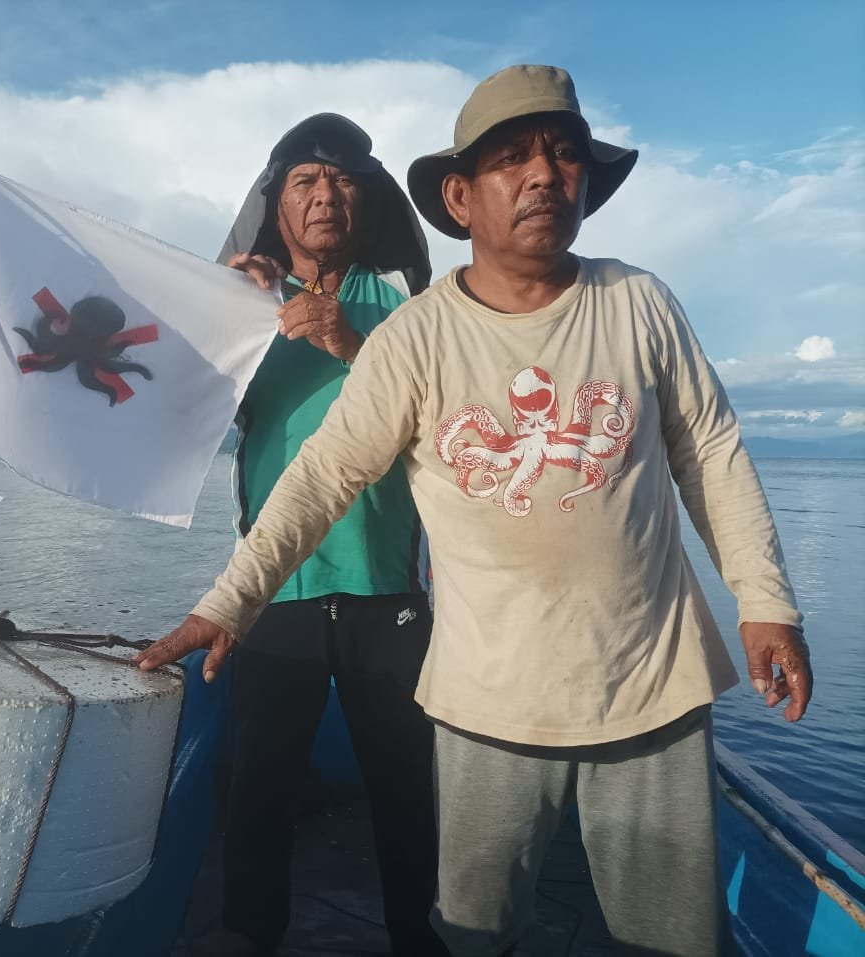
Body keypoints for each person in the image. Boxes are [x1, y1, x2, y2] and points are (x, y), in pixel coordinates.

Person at [139, 66, 813, 956]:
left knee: (670, 938)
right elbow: (319, 472)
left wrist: (765, 601)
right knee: (472, 928)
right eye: (511, 159)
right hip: (484, 698)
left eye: (564, 155)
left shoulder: (636, 302)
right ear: (459, 197)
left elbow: (712, 451)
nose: (543, 175)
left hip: (650, 687)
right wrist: (228, 601)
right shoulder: (416, 335)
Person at [192, 113, 445, 957]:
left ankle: (423, 934)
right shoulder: (241, 301)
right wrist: (217, 310)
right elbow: (180, 407)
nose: (324, 195)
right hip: (276, 585)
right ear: (277, 203)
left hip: (387, 584)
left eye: (340, 181)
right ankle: (246, 932)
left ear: (365, 200)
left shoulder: (407, 301)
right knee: (259, 782)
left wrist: (350, 340)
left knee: (408, 786)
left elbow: (446, 415)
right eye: (304, 180)